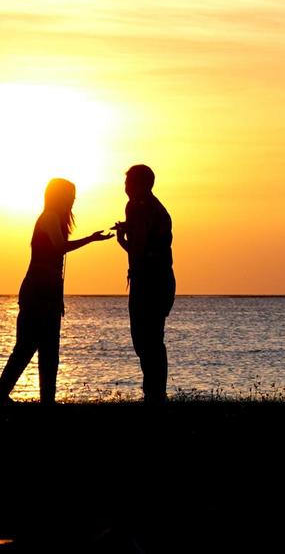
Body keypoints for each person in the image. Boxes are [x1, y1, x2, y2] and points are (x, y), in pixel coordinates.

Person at [0, 178, 111, 404]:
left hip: (48, 291)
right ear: (59, 196)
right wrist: (91, 239)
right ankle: (1, 395)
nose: (74, 200)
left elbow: (57, 263)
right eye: (70, 195)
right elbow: (59, 248)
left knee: (48, 349)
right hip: (37, 290)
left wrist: (58, 299)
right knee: (28, 346)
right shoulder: (49, 217)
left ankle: (46, 400)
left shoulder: (55, 219)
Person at [114, 164, 174, 404]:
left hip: (151, 281)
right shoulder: (146, 208)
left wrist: (122, 240)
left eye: (128, 182)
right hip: (152, 280)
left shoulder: (142, 208)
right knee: (149, 339)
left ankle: (155, 393)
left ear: (140, 184)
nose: (125, 187)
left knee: (146, 339)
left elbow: (141, 249)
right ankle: (154, 392)